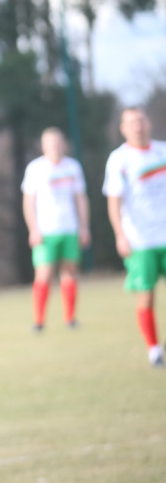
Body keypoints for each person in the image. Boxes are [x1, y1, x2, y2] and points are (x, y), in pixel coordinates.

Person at [103, 106, 166, 367]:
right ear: (123, 128)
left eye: (141, 120)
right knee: (146, 294)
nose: (137, 125)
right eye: (132, 122)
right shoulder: (119, 159)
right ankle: (154, 348)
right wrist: (120, 235)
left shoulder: (162, 150)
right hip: (140, 239)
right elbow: (114, 201)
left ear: (148, 122)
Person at [20, 127, 90, 331]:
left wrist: (84, 226)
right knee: (43, 274)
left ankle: (70, 319)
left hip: (69, 228)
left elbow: (80, 198)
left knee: (70, 272)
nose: (55, 146)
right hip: (46, 231)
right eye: (50, 143)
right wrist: (33, 228)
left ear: (64, 144)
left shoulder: (73, 167)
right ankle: (39, 321)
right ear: (43, 146)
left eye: (58, 142)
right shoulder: (35, 168)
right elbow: (28, 202)